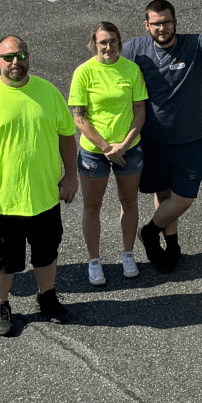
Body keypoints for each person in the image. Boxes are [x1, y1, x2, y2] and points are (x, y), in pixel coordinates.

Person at [0, 36, 79, 337]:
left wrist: (71, 175)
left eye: (21, 55)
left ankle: (46, 296)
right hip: (3, 200)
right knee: (2, 258)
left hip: (44, 196)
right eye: (8, 57)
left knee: (46, 252)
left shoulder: (47, 92)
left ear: (28, 58)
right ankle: (1, 304)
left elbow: (66, 135)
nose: (15, 62)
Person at [123, 0, 202, 272]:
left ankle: (150, 232)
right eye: (155, 24)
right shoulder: (135, 50)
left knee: (184, 197)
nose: (161, 28)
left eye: (166, 22)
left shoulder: (195, 45)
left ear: (175, 22)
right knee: (164, 195)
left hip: (188, 140)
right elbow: (107, 67)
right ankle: (172, 245)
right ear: (147, 25)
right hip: (152, 141)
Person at [68, 22, 147, 284]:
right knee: (92, 207)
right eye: (103, 42)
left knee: (130, 203)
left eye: (113, 41)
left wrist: (123, 146)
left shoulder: (131, 70)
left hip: (128, 149)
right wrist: (106, 148)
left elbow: (139, 111)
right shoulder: (83, 73)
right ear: (94, 44)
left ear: (119, 42)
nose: (108, 47)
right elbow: (79, 118)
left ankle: (127, 254)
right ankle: (94, 261)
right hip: (94, 152)